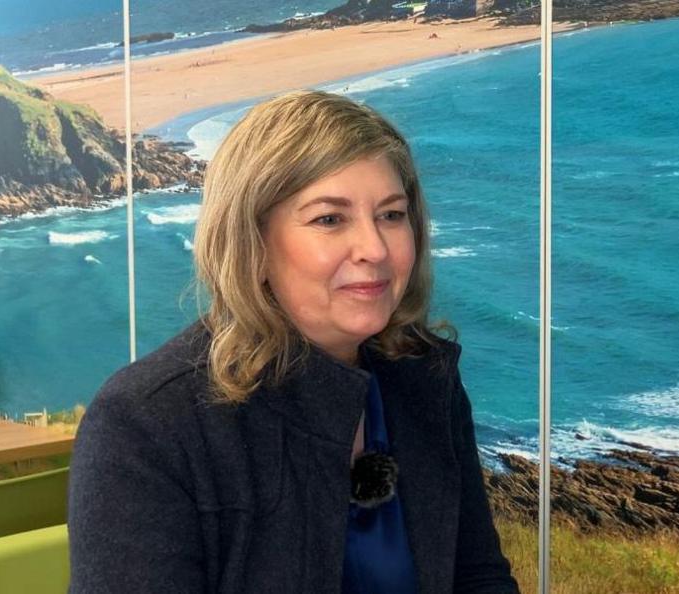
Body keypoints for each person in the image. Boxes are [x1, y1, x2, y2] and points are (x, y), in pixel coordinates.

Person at [67, 90, 519, 594]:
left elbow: (477, 576)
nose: (374, 248)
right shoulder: (146, 423)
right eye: (330, 219)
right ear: (252, 243)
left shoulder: (424, 376)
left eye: (391, 215)